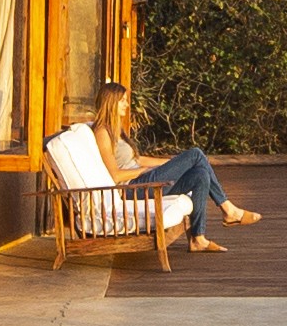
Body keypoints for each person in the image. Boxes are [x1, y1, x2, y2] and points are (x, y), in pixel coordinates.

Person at [89, 89, 257, 252]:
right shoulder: (102, 132)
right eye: (123, 100)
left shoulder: (116, 127)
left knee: (200, 175)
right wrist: (143, 171)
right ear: (111, 102)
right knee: (196, 154)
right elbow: (115, 175)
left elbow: (136, 159)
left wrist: (170, 163)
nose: (127, 104)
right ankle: (229, 210)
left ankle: (198, 239)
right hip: (133, 188)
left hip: (144, 179)